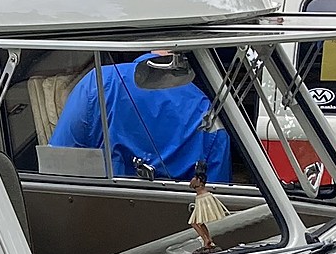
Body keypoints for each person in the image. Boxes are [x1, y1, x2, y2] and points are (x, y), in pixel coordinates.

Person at [49, 50, 233, 183]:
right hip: (181, 229)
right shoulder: (210, 114)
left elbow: (57, 166)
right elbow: (217, 201)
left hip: (96, 217)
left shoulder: (97, 83)